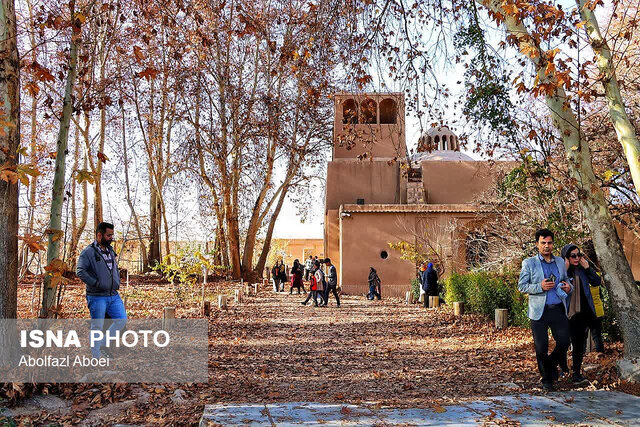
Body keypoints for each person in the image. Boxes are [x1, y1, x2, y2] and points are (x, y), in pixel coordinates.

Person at [518, 228, 573, 391]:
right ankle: (546, 380)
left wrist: (569, 287)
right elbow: (522, 286)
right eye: (543, 243)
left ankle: (548, 366)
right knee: (541, 347)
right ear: (537, 244)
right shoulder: (529, 263)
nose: (547, 246)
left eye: (549, 242)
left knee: (564, 341)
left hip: (558, 308)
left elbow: (565, 281)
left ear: (553, 244)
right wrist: (539, 286)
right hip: (538, 311)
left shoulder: (560, 262)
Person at [76, 222, 127, 359]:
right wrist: (96, 283)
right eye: (108, 235)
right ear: (99, 235)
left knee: (121, 320)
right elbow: (80, 271)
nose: (111, 237)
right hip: (97, 296)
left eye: (112, 235)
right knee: (97, 327)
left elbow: (113, 269)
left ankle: (101, 344)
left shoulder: (110, 251)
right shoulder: (88, 252)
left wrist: (117, 282)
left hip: (113, 295)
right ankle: (96, 356)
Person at [561, 243, 602, 385]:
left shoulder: (583, 269)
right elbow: (556, 286)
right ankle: (562, 368)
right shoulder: (563, 271)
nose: (577, 258)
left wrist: (587, 268)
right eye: (573, 256)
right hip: (567, 314)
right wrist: (564, 270)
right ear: (566, 257)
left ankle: (576, 373)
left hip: (583, 313)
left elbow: (597, 282)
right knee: (563, 343)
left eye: (579, 255)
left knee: (579, 345)